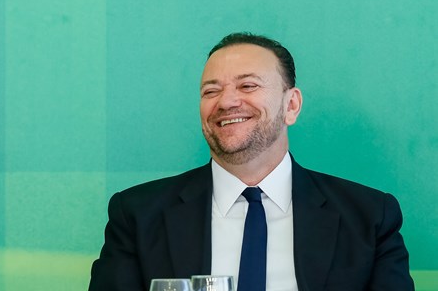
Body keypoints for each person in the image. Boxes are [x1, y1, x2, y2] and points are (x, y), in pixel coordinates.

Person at [88, 32, 414, 291]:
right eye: (210, 91)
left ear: (291, 105)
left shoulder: (369, 217)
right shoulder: (138, 215)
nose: (227, 101)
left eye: (248, 85)